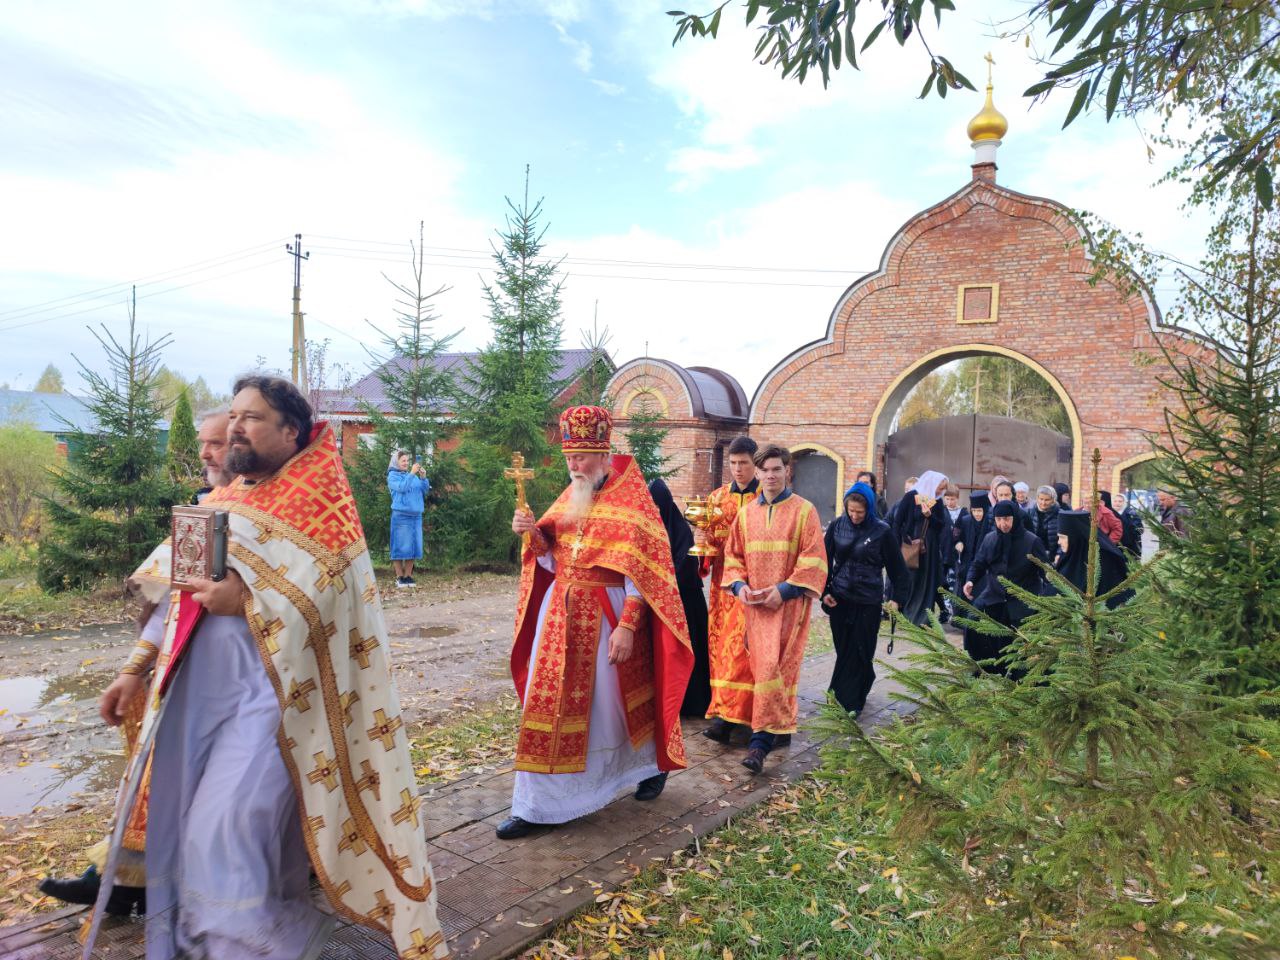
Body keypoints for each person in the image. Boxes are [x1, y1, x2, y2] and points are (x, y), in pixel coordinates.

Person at [120, 375, 444, 959]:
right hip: (202, 697)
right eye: (233, 416)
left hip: (280, 702)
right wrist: (133, 668)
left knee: (226, 825)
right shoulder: (222, 501)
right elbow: (174, 598)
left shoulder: (322, 507)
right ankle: (250, 936)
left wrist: (244, 600)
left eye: (251, 418)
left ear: (291, 430)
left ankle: (272, 939)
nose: (235, 428)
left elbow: (333, 604)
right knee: (212, 827)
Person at [40, 408, 235, 915]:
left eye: (217, 443)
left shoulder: (275, 516)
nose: (206, 453)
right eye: (203, 443)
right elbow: (173, 605)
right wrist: (132, 671)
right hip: (190, 677)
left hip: (251, 686)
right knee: (156, 775)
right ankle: (122, 879)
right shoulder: (205, 511)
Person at [501, 406, 693, 839]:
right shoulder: (572, 495)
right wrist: (530, 533)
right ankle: (538, 805)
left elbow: (644, 574)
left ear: (604, 454)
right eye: (569, 457)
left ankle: (649, 766)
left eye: (581, 457)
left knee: (614, 708)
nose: (574, 466)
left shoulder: (635, 501)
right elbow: (551, 555)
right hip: (560, 616)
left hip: (608, 617)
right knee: (549, 703)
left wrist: (627, 627)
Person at [721, 445, 827, 773]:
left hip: (789, 607)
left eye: (776, 469)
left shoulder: (804, 511)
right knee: (764, 670)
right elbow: (733, 557)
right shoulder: (746, 514)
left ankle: (759, 746)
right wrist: (739, 587)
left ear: (787, 471)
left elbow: (814, 561)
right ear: (757, 473)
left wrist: (783, 591)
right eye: (764, 470)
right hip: (756, 609)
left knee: (776, 670)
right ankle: (769, 736)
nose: (770, 476)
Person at [820, 482, 909, 716]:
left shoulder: (882, 531)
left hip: (868, 600)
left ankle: (849, 701)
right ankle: (859, 683)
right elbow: (823, 561)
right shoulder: (837, 526)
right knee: (844, 649)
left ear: (869, 508)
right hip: (839, 599)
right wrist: (824, 591)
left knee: (861, 649)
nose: (855, 516)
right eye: (851, 511)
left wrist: (896, 598)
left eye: (859, 512)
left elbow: (898, 569)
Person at [701, 436, 760, 744]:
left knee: (744, 651)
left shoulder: (764, 498)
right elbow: (709, 541)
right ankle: (723, 712)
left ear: (755, 463)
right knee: (721, 649)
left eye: (744, 463)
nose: (738, 469)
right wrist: (702, 546)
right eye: (733, 463)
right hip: (721, 587)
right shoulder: (717, 498)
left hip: (753, 585)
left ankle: (746, 717)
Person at [962, 500, 1049, 674]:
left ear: (1015, 518)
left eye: (1007, 519)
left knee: (1020, 640)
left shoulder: (1031, 541)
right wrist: (970, 580)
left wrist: (1047, 599)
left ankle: (1019, 675)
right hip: (993, 595)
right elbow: (978, 563)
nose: (1003, 524)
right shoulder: (990, 538)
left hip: (1022, 600)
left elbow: (1046, 572)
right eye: (999, 519)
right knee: (972, 621)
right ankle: (983, 668)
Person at [649, 477, 711, 718]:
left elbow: (686, 567)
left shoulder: (681, 531)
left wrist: (662, 581)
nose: (654, 510)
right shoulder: (648, 529)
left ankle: (691, 703)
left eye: (657, 505)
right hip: (658, 603)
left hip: (685, 604)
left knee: (687, 652)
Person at [892, 471, 950, 626]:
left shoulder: (937, 501)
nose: (941, 491)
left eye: (943, 489)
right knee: (912, 580)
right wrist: (897, 544)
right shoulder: (911, 497)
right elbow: (897, 522)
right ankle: (909, 615)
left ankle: (924, 619)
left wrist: (929, 515)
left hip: (930, 549)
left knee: (928, 582)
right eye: (939, 488)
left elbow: (940, 525)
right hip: (911, 546)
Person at [1051, 509, 1131, 607]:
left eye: (1062, 537)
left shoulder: (1104, 558)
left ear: (1076, 537)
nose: (1059, 542)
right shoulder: (1069, 554)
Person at [387, 449, 431, 587]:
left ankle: (408, 576)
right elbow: (402, 487)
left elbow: (424, 490)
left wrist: (423, 478)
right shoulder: (392, 476)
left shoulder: (412, 476)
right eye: (403, 461)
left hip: (416, 516)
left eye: (407, 460)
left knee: (414, 546)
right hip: (401, 516)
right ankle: (400, 577)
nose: (406, 463)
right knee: (399, 546)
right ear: (396, 462)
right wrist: (412, 473)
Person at [1029, 484, 1061, 556]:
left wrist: (1059, 554)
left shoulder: (1060, 514)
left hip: (1052, 556)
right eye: (1041, 499)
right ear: (1037, 498)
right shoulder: (1030, 513)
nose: (1043, 503)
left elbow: (1064, 538)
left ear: (1053, 500)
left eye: (1047, 500)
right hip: (1033, 554)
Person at [1114, 493, 1144, 559]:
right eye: (1115, 501)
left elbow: (1140, 530)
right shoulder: (1110, 513)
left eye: (1120, 501)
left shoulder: (1131, 513)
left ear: (1124, 502)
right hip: (1115, 546)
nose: (1117, 503)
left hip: (1130, 547)